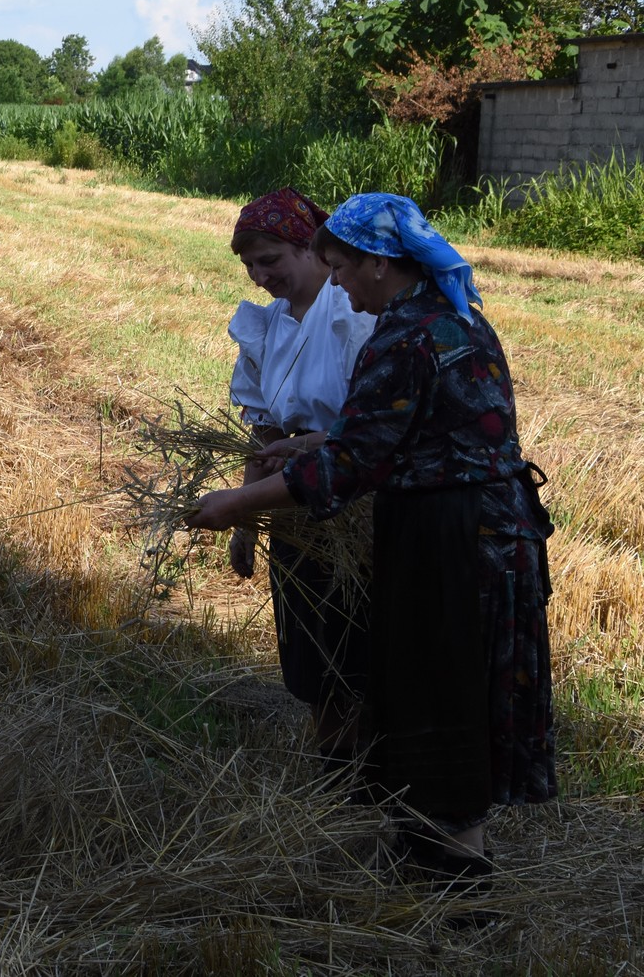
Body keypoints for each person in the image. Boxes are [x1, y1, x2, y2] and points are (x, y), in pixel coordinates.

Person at [189, 193, 556, 887]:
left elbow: (348, 468)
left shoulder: (405, 336)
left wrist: (239, 503)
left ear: (379, 264)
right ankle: (429, 846)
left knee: (441, 691)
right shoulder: (451, 319)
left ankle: (457, 878)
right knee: (432, 686)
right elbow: (414, 429)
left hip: (453, 535)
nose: (340, 284)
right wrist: (322, 437)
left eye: (342, 268)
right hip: (479, 523)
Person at [225, 188, 374, 777]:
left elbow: (371, 430)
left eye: (271, 260)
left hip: (352, 505)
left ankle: (365, 775)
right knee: (308, 647)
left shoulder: (353, 317)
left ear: (309, 247)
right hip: (292, 506)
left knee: (352, 644)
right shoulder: (265, 329)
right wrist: (245, 521)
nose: (261, 277)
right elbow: (265, 435)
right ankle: (333, 768)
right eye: (249, 265)